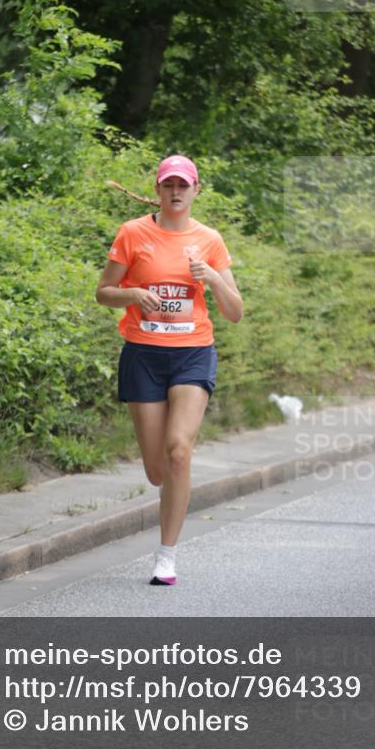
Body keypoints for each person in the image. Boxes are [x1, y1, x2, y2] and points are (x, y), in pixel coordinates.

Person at [95, 154, 243, 585]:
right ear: (158, 189)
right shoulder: (133, 233)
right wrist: (134, 295)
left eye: (183, 185)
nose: (176, 192)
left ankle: (167, 556)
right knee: (158, 470)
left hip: (193, 352)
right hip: (143, 355)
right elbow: (103, 292)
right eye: (169, 184)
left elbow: (234, 312)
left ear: (196, 190)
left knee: (179, 451)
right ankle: (168, 498)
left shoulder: (210, 240)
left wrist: (213, 277)